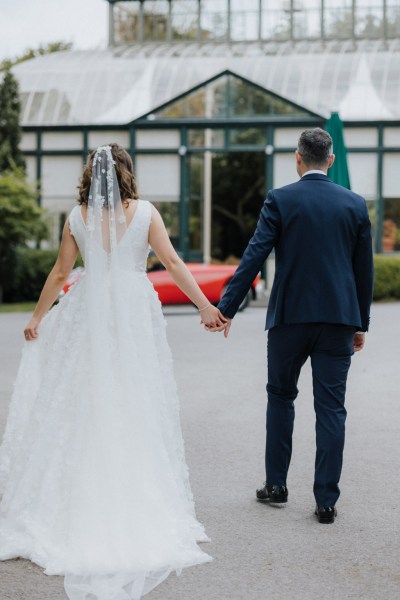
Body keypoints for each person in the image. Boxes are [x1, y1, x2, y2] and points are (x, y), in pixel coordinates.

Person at [0, 144, 227, 600]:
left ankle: (77, 502)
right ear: (126, 172)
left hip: (89, 313)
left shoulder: (77, 216)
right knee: (134, 399)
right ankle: (133, 497)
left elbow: (61, 271)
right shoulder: (145, 213)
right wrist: (206, 306)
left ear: (91, 174)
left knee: (82, 401)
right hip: (133, 313)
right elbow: (173, 262)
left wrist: (37, 318)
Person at [216, 128, 374, 524]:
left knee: (281, 396)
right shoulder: (354, 204)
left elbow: (255, 254)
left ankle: (277, 485)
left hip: (289, 318)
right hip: (339, 319)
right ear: (331, 160)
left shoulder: (281, 199)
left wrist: (227, 307)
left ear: (297, 158)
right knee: (331, 409)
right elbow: (364, 272)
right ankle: (325, 501)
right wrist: (361, 324)